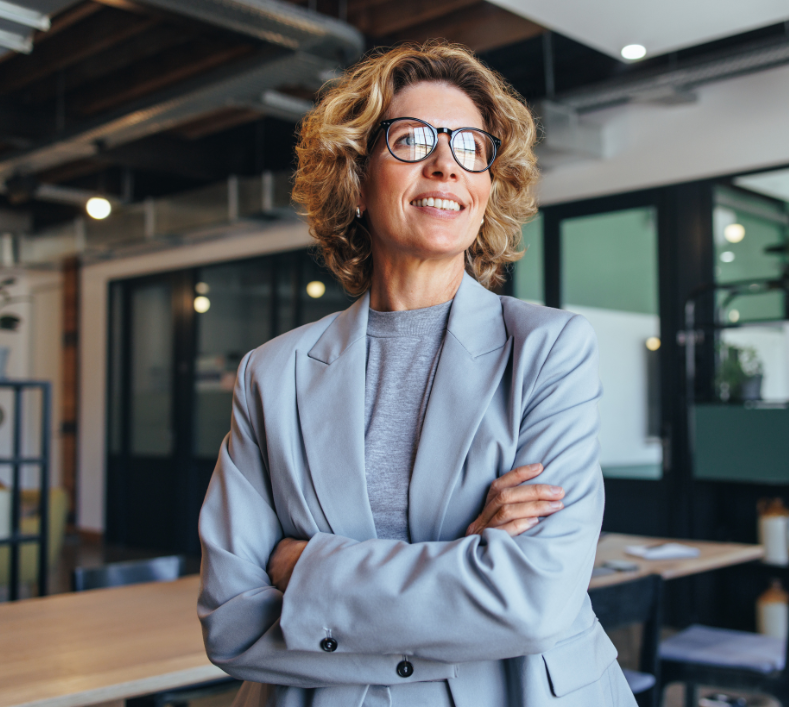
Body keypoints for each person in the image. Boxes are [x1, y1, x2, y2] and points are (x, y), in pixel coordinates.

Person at [197, 41, 636, 707]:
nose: (444, 165)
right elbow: (232, 620)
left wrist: (304, 568)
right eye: (410, 140)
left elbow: (532, 600)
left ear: (490, 184)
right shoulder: (272, 372)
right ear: (356, 174)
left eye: (470, 145)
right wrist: (464, 567)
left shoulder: (549, 348)